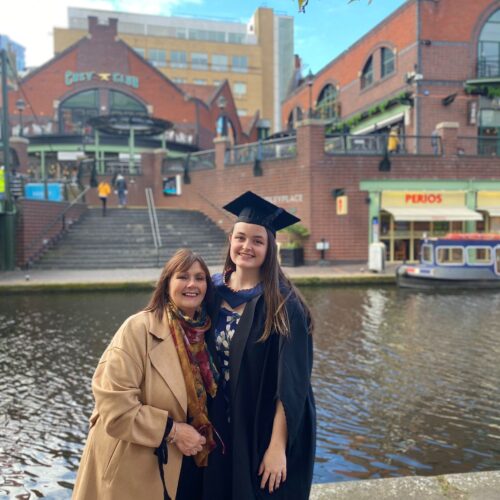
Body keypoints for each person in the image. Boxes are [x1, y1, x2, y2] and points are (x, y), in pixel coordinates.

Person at [73, 249, 219, 500]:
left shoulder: (207, 336)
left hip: (189, 466)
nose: (192, 284)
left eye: (200, 277)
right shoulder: (137, 329)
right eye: (183, 277)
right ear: (166, 284)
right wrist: (174, 431)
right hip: (136, 470)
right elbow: (115, 407)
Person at [204, 191, 316, 500]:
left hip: (260, 425)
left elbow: (292, 385)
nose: (247, 247)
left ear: (270, 248)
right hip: (217, 422)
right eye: (240, 238)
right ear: (230, 240)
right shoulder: (210, 292)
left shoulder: (284, 305)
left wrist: (277, 447)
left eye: (257, 240)